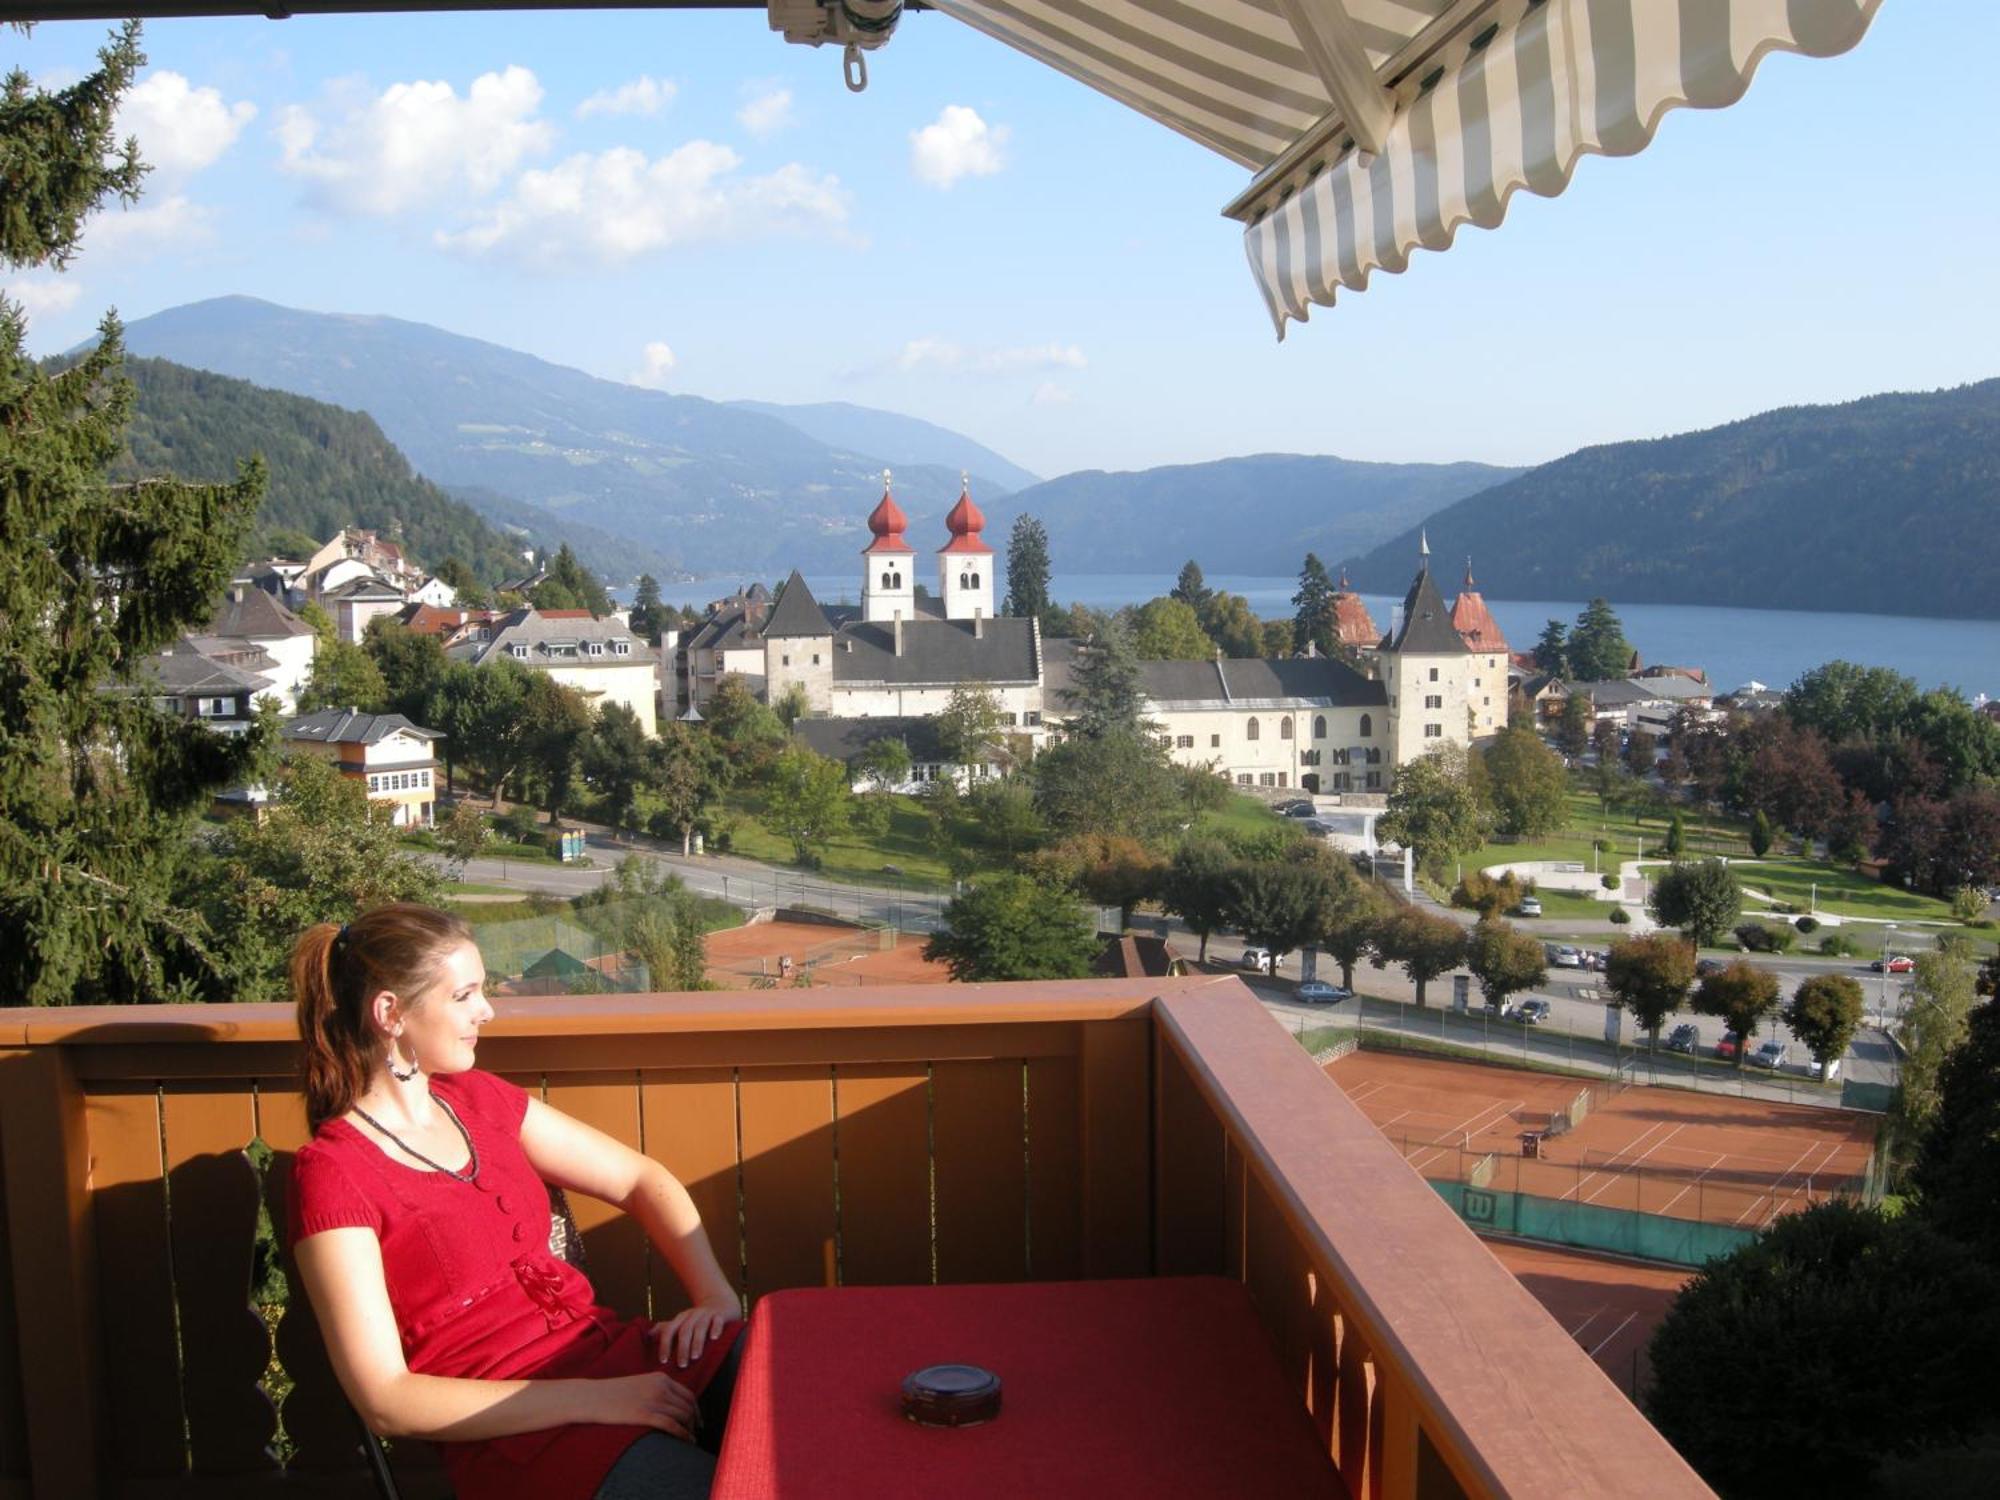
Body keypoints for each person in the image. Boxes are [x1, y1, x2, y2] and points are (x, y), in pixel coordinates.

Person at [287, 903, 741, 1500]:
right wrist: (599, 1400)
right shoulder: (333, 1173)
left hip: (617, 1361)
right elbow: (387, 1400)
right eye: (464, 996)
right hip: (521, 1441)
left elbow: (640, 1180)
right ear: (390, 1013)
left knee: (798, 1388)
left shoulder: (479, 1098)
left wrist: (715, 1297)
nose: (487, 1011)